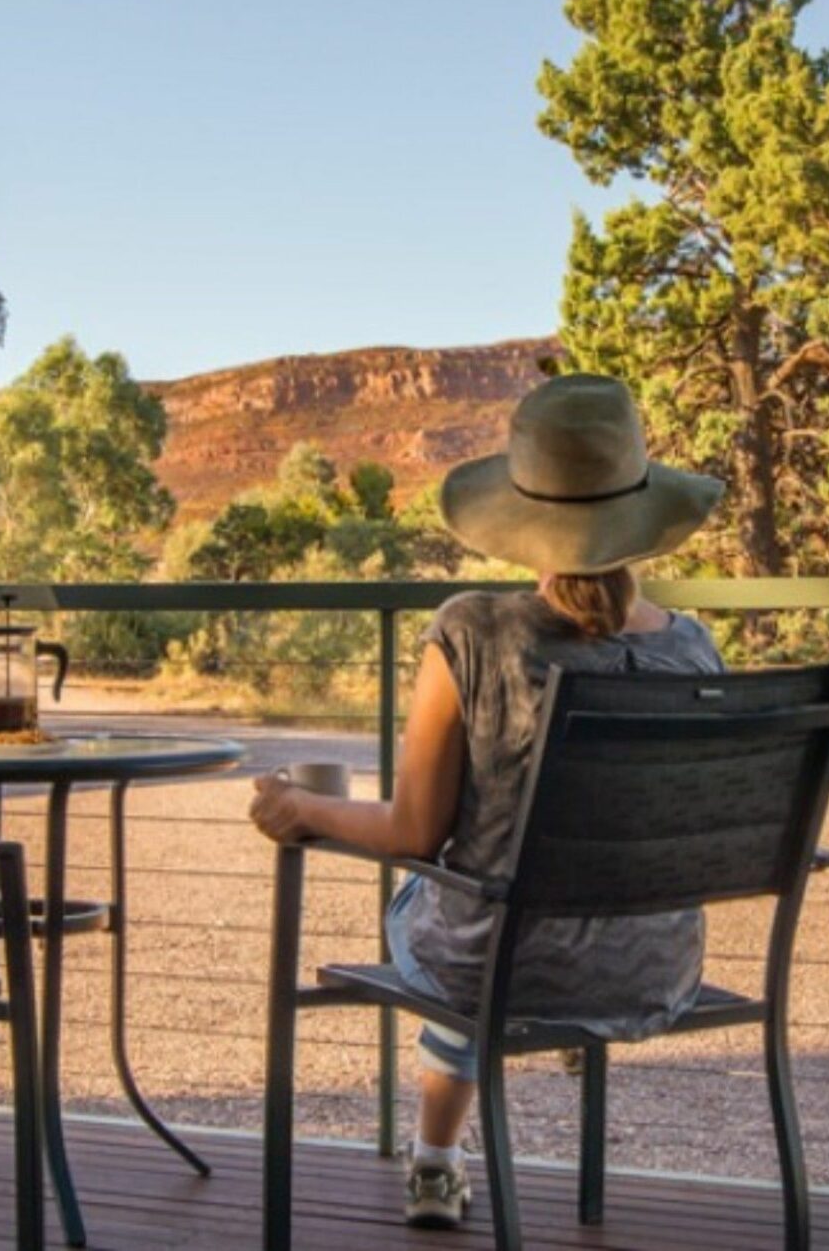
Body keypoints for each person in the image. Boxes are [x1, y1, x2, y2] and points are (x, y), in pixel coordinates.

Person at [248, 374, 725, 1230]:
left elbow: (413, 830)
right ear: (640, 517)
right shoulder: (692, 650)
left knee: (454, 906)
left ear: (522, 515)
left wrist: (302, 809)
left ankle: (434, 1161)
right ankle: (575, 1031)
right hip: (652, 965)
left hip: (503, 959)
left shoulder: (471, 632)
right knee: (493, 903)